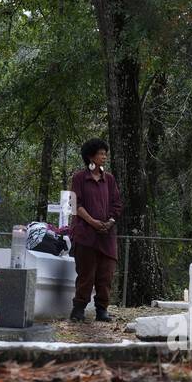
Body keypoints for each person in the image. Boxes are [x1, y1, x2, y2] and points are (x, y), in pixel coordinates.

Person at [69, 138, 123, 322]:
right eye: (101, 154)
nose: (104, 157)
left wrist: (110, 221)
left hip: (106, 235)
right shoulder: (79, 178)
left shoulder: (109, 180)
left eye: (105, 154)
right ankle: (78, 309)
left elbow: (117, 204)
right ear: (90, 157)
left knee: (105, 274)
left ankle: (102, 309)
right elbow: (76, 204)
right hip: (86, 234)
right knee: (86, 274)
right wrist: (92, 222)